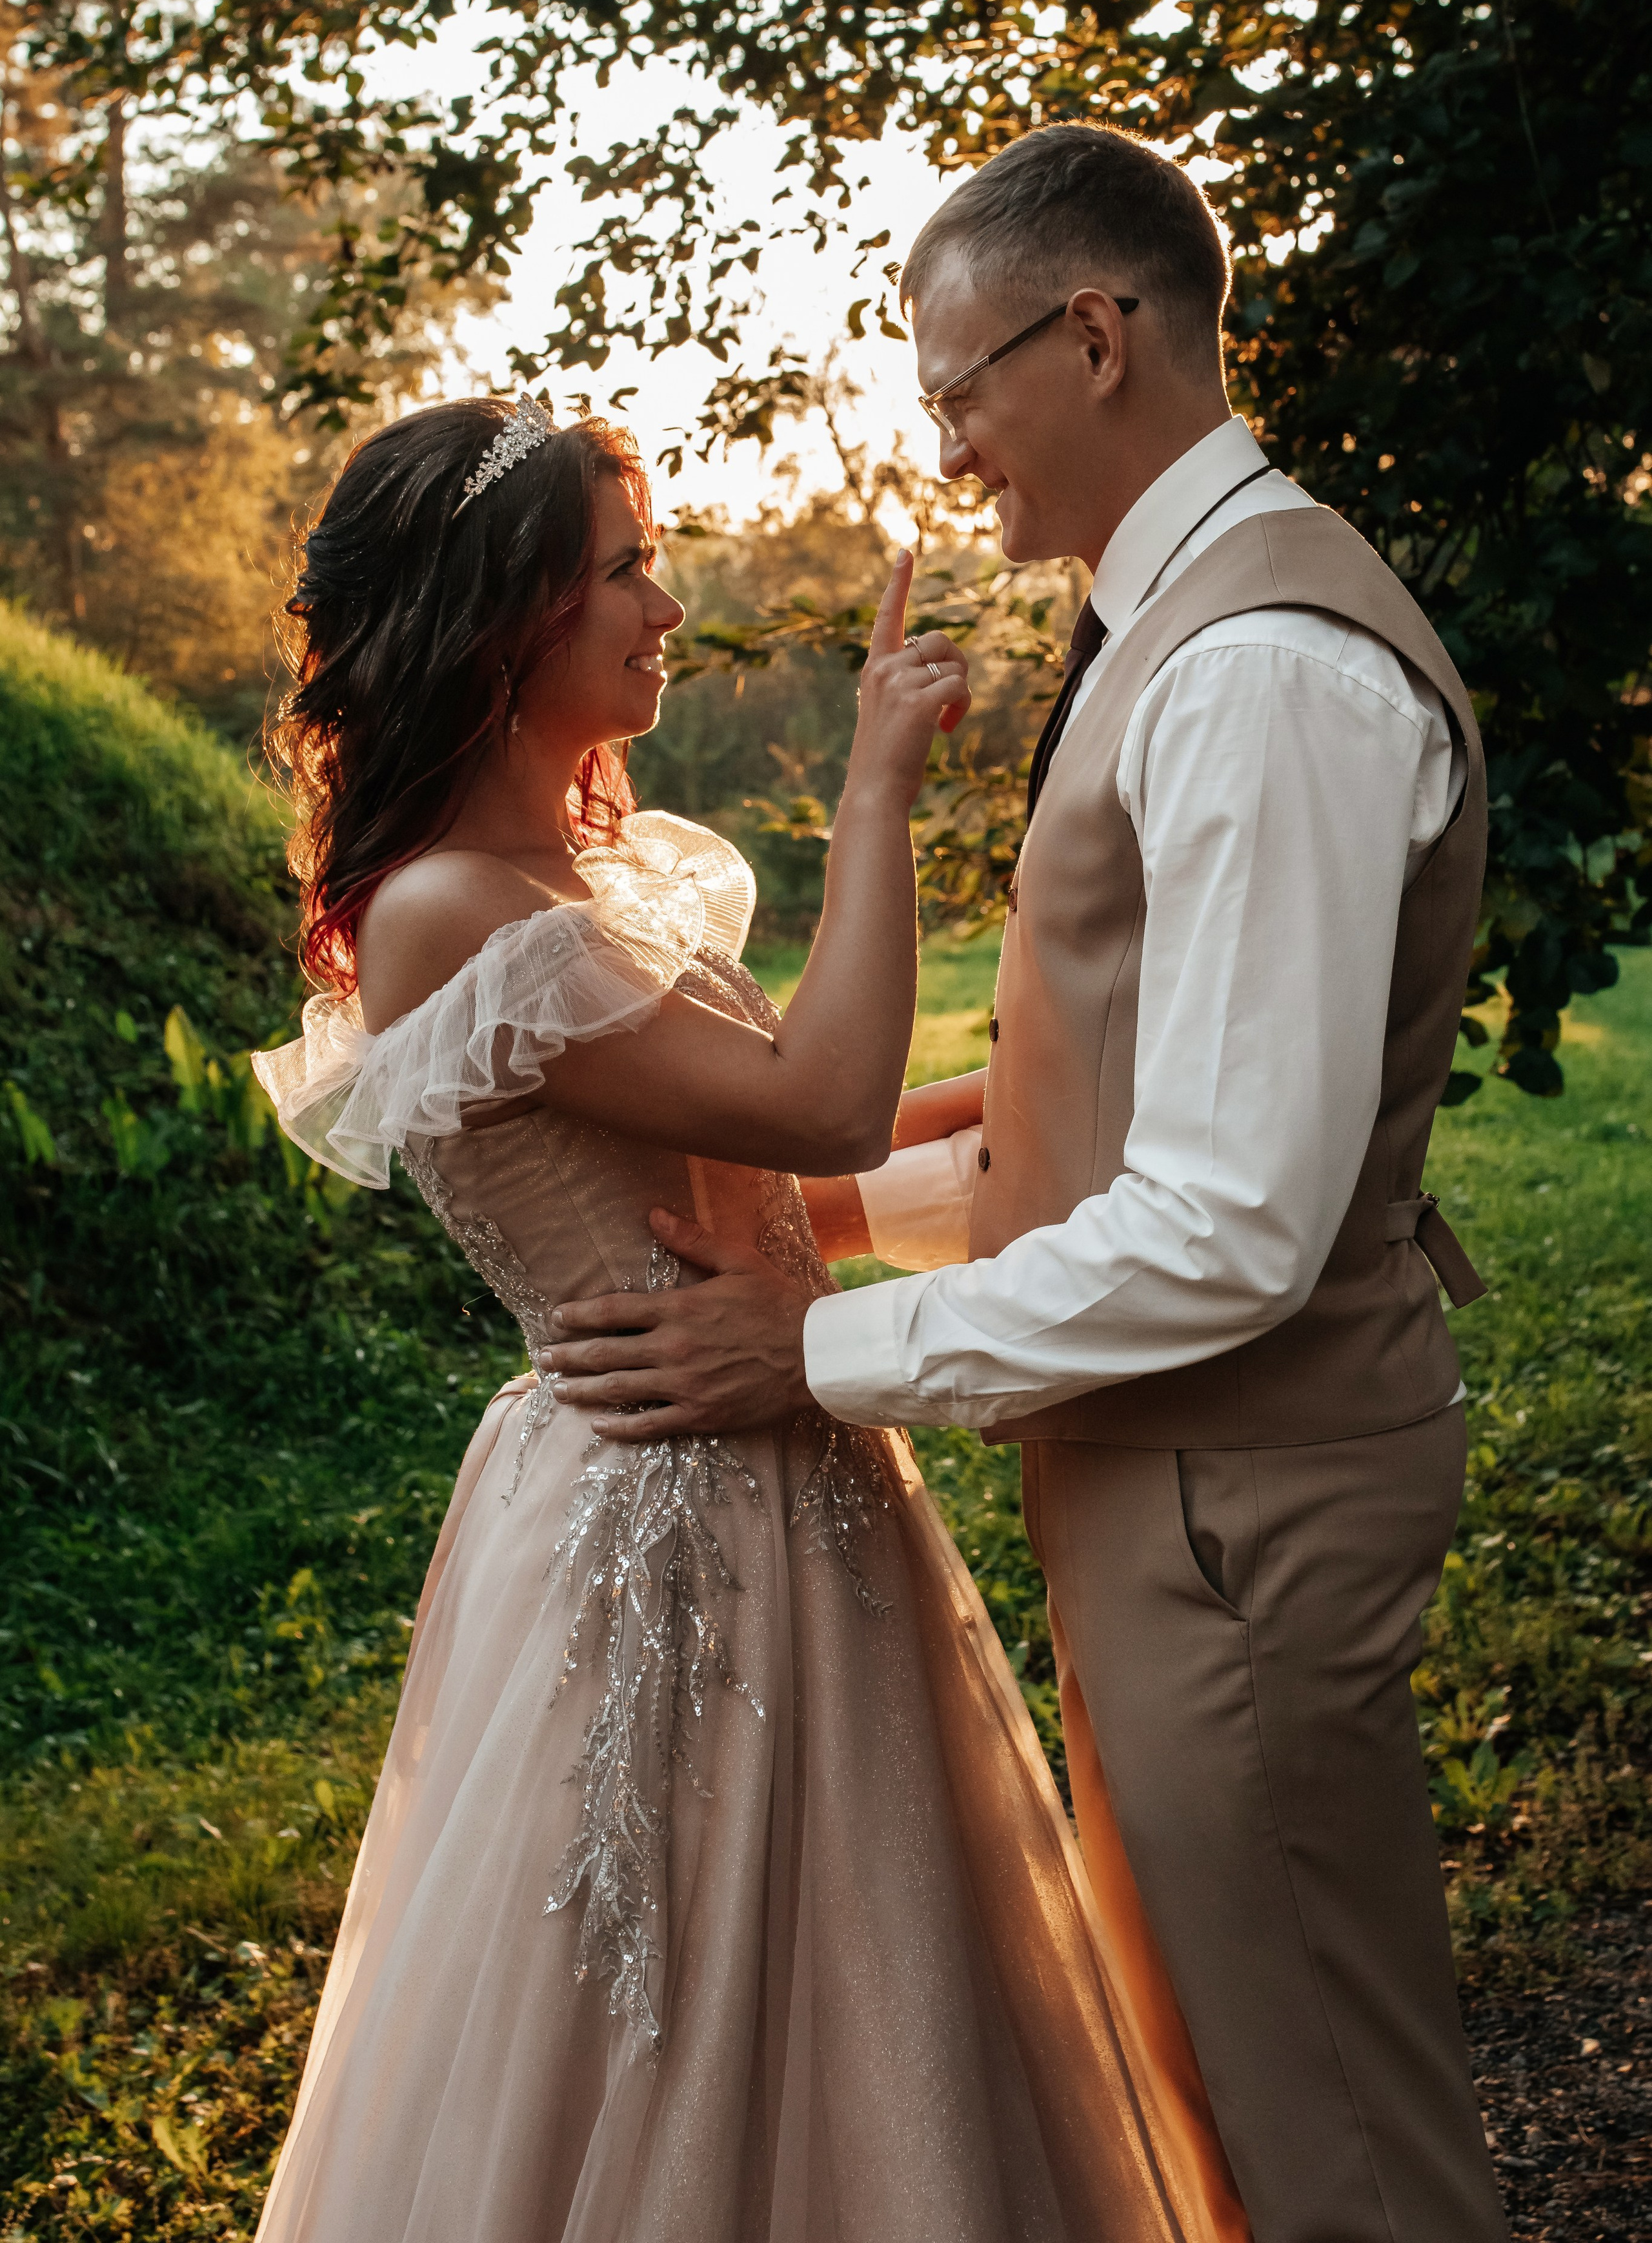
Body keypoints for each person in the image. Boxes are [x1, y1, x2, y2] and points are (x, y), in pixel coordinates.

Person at [547, 126, 1513, 2243]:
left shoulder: (1261, 669)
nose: (948, 445)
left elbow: (1234, 1219)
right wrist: (799, 1219)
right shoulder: (1174, 625)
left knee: (1332, 2128)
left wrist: (821, 1349)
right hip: (1176, 1478)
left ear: (1095, 334)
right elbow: (1110, 1114)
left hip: (1242, 1490)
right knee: (1229, 2092)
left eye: (957, 383)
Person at [249, 391, 1216, 2243]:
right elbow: (827, 1096)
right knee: (665, 2003)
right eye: (627, 569)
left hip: (793, 1456)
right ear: (503, 612)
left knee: (871, 1973)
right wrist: (876, 787)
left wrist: (1033, 1120)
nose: (666, 607)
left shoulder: (591, 881)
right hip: (657, 1509)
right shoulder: (449, 909)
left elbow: (777, 1184)